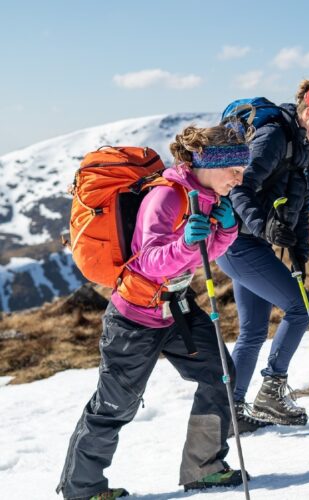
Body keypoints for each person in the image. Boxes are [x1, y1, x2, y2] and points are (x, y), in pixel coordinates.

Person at [57, 123, 250, 500]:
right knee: (115, 405)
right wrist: (185, 242)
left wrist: (224, 232)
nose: (239, 179)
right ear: (212, 163)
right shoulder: (166, 196)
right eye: (235, 170)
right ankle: (82, 490)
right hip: (134, 318)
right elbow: (149, 261)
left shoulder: (206, 194)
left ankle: (204, 468)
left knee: (220, 376)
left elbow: (202, 256)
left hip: (177, 309)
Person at [216, 81, 309, 431]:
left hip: (255, 243)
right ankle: (271, 392)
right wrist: (264, 228)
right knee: (302, 308)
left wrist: (300, 252)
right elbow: (237, 188)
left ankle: (232, 411)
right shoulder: (273, 136)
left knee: (254, 330)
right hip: (237, 243)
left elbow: (301, 207)